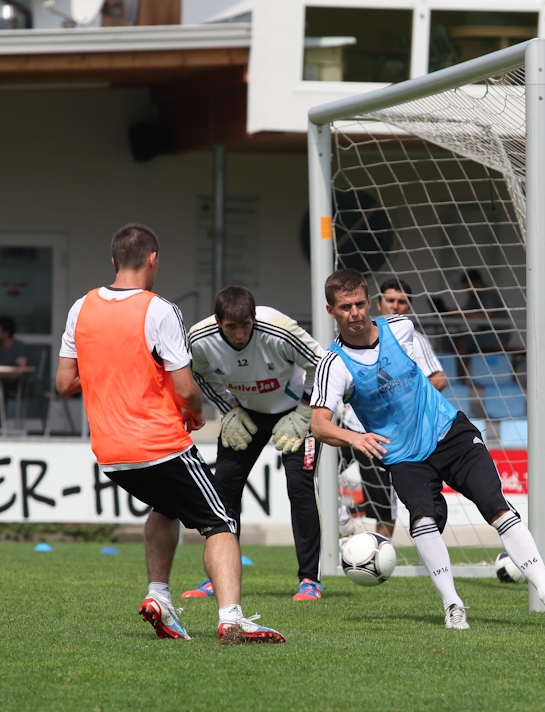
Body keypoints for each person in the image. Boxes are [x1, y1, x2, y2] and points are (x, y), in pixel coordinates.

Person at [55, 223, 284, 644]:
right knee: (219, 522)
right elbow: (184, 388)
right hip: (159, 444)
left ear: (113, 260)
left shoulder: (80, 307)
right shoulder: (160, 310)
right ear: (153, 259)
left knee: (166, 507)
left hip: (110, 452)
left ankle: (159, 597)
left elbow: (64, 382)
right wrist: (195, 414)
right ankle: (232, 618)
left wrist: (110, 370)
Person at [311, 268, 545, 629]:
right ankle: (453, 606)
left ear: (370, 302)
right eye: (345, 307)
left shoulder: (401, 328)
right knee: (423, 520)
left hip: (450, 434)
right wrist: (356, 438)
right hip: (403, 456)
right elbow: (319, 424)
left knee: (496, 506)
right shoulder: (334, 363)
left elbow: (435, 375)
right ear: (331, 311)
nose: (354, 313)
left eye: (359, 304)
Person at [186, 286, 324, 601]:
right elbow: (198, 372)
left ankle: (310, 580)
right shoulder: (199, 339)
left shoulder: (279, 329)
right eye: (230, 326)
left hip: (294, 413)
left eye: (245, 324)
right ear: (218, 321)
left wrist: (305, 410)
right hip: (245, 413)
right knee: (222, 493)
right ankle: (217, 578)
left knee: (299, 488)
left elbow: (322, 364)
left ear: (254, 318)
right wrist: (227, 409)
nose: (239, 333)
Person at [341, 278, 446, 539]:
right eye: (391, 301)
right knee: (313, 473)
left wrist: (406, 402)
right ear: (378, 303)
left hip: (385, 436)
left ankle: (379, 553)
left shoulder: (412, 338)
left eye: (402, 302)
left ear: (408, 307)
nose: (396, 306)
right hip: (350, 428)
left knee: (382, 504)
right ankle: (342, 518)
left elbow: (439, 378)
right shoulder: (351, 337)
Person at [456, 268, 512, 355]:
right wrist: (451, 312)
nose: (466, 291)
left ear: (477, 284)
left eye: (468, 287)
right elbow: (466, 310)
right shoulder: (474, 296)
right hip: (483, 332)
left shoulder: (489, 294)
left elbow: (485, 316)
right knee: (448, 340)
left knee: (462, 342)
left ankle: (462, 368)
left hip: (498, 335)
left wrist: (464, 314)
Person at [0, 316, 29, 400]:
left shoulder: (18, 347)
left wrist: (5, 378)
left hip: (17, 383)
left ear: (7, 332)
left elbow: (21, 369)